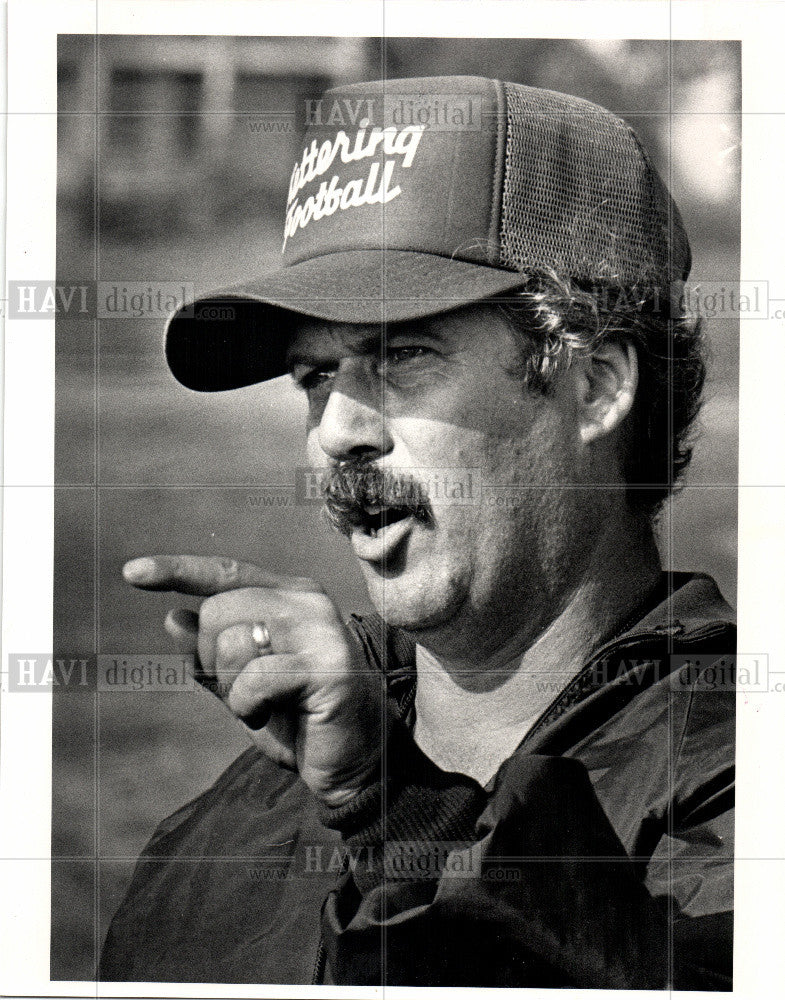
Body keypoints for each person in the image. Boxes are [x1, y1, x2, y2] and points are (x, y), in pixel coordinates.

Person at [100, 76, 735, 989]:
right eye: (315, 376)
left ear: (595, 383)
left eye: (401, 355)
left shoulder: (734, 777)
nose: (337, 430)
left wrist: (391, 816)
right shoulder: (217, 837)